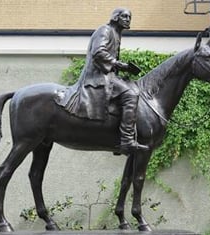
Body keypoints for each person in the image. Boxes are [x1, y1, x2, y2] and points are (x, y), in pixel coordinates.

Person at [62, 7, 148, 154]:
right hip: (97, 77)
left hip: (107, 75)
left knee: (130, 86)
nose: (128, 19)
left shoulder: (116, 34)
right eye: (125, 16)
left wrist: (123, 69)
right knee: (131, 93)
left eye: (129, 17)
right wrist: (120, 64)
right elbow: (98, 52)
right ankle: (127, 140)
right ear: (116, 17)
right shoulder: (105, 30)